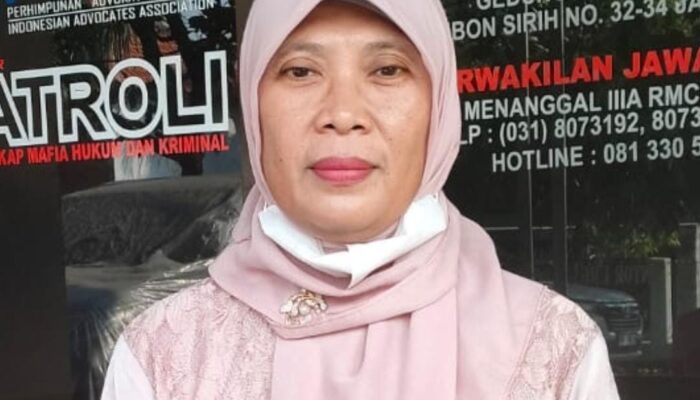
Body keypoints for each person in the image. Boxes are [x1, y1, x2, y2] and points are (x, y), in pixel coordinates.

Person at [101, 0, 621, 399]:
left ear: (439, 106)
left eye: (387, 70)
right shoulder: (165, 354)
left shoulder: (553, 349)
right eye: (300, 71)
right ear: (254, 107)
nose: (343, 113)